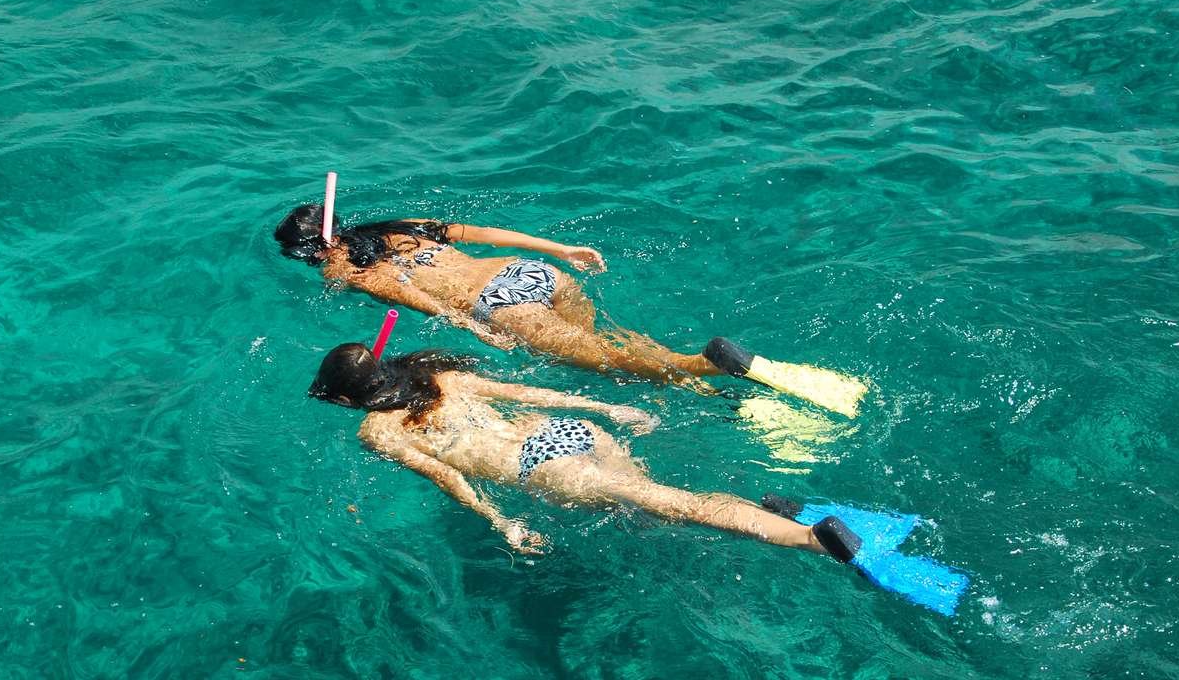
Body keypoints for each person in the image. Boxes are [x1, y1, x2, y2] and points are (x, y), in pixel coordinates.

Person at [307, 342, 862, 559]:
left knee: (668, 502)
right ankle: (768, 513)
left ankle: (809, 539)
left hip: (539, 467)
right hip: (567, 431)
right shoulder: (442, 378)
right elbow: (526, 394)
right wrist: (606, 409)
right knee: (645, 507)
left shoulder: (377, 432)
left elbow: (445, 477)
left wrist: (500, 521)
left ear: (346, 398)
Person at [274, 207, 752, 386]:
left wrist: (472, 325)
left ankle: (701, 365)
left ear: (313, 249)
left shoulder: (344, 266)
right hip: (528, 272)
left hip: (501, 302)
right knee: (600, 347)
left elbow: (412, 296)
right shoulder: (397, 228)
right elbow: (482, 233)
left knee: (604, 360)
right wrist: (559, 249)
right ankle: (681, 377)